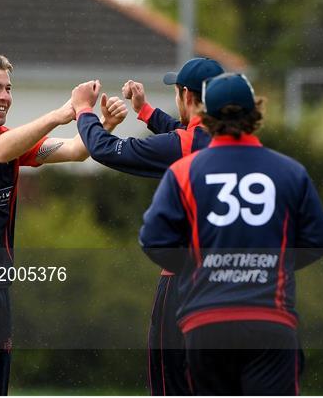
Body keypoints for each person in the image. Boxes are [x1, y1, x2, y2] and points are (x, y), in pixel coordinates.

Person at [0, 53, 126, 396]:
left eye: (8, 88)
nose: (4, 96)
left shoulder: (11, 140)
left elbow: (77, 151)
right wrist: (60, 114)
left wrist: (103, 124)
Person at [139, 73, 323, 395]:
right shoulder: (288, 171)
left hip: (206, 323)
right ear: (255, 113)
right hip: (269, 320)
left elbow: (153, 240)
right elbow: (319, 239)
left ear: (207, 116)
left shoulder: (185, 171)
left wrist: (201, 265)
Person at [72, 57, 224, 395]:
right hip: (237, 281)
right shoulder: (229, 140)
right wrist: (144, 110)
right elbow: (183, 138)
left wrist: (83, 110)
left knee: (171, 386)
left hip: (185, 283)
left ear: (186, 96)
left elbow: (106, 149)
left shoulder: (184, 145)